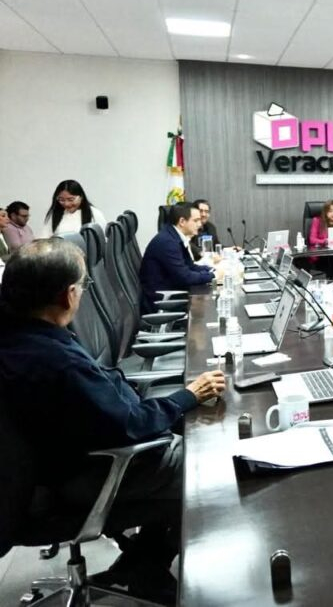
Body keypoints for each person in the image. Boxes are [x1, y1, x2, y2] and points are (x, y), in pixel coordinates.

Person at [0, 238, 226, 602]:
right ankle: (148, 567)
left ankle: (140, 563)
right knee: (207, 466)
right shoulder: (57, 362)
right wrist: (189, 395)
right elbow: (130, 424)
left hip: (42, 477)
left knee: (183, 434)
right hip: (78, 477)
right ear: (68, 295)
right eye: (83, 286)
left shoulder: (20, 335)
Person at [139, 203, 216, 314]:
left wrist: (212, 270)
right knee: (209, 308)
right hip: (162, 301)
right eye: (196, 221)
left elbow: (190, 266)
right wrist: (213, 276)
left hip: (172, 293)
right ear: (182, 222)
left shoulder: (174, 236)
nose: (200, 224)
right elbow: (185, 277)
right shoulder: (168, 242)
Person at [38, 179, 107, 238]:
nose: (66, 204)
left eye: (71, 199)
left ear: (81, 197)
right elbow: (44, 237)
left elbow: (103, 240)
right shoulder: (55, 214)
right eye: (61, 200)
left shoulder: (94, 213)